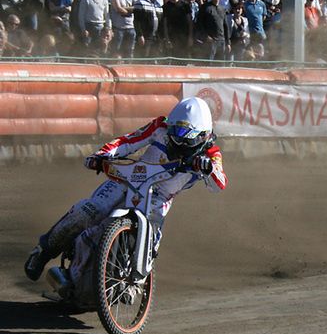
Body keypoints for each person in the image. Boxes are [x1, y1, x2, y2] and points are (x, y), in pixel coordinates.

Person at [24, 97, 228, 282]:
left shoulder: (211, 155)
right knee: (90, 210)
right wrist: (102, 155)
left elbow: (220, 184)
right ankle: (44, 250)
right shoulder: (161, 127)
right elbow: (129, 141)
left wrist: (208, 169)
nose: (177, 139)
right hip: (129, 179)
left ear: (203, 135)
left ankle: (133, 281)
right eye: (175, 131)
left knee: (151, 237)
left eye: (185, 135)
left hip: (160, 196)